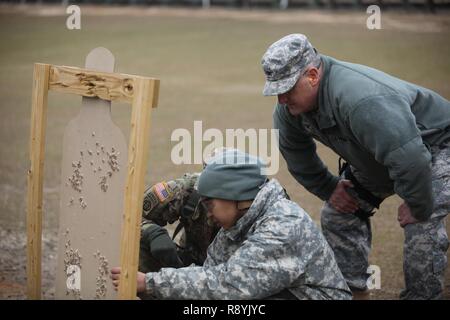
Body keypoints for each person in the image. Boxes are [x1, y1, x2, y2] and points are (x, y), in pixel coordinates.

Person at [261, 33, 450, 299]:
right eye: (276, 91)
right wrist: (330, 188)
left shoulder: (360, 99)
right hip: (389, 156)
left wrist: (417, 203)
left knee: (422, 223)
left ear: (312, 76)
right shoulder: (290, 110)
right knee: (339, 213)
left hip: (437, 145)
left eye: (287, 89)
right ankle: (349, 293)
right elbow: (296, 152)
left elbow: (411, 159)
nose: (281, 99)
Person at [112, 149, 352, 300]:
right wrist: (152, 234)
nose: (205, 210)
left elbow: (229, 286)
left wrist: (150, 282)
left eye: (209, 202)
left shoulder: (283, 226)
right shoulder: (239, 218)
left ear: (234, 196)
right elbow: (212, 274)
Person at [139, 172, 220, 274]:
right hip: (189, 263)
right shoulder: (189, 188)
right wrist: (152, 233)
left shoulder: (245, 212)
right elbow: (132, 216)